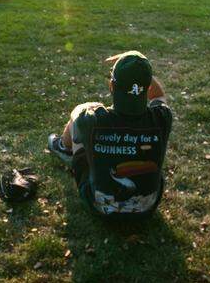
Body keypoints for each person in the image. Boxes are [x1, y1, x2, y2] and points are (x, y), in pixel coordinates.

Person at [47, 51, 173, 218]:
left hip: (97, 205)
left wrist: (91, 106)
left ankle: (63, 148)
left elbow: (78, 112)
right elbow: (159, 96)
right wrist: (140, 69)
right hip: (148, 207)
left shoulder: (92, 119)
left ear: (111, 86)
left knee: (78, 121)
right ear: (148, 87)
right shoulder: (162, 117)